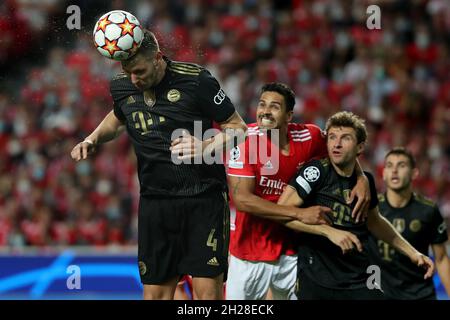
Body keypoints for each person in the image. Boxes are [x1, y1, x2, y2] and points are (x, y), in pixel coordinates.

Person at [70, 29, 248, 300]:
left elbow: (239, 128)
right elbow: (118, 116)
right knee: (154, 295)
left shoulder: (197, 81)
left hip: (203, 199)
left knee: (207, 295)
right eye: (129, 72)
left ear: (157, 58)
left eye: (139, 71)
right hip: (155, 203)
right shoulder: (122, 85)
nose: (134, 79)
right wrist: (92, 138)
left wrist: (203, 147)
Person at [226, 84, 371, 300]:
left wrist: (362, 177)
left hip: (294, 250)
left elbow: (341, 153)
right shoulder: (245, 141)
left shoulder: (309, 136)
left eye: (274, 107)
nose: (265, 111)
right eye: (262, 104)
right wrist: (299, 213)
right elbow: (243, 200)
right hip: (250, 251)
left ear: (288, 116)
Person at [277, 111, 434, 300]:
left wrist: (413, 253)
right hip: (316, 277)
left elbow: (375, 221)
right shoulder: (316, 172)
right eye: (333, 137)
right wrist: (329, 231)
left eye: (345, 138)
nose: (337, 144)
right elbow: (283, 214)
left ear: (360, 147)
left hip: (357, 277)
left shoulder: (366, 181)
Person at [368, 147, 450, 300]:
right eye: (390, 166)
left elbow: (441, 258)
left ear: (414, 173)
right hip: (380, 294)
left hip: (421, 295)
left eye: (401, 165)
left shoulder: (428, 210)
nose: (394, 171)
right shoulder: (371, 209)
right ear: (383, 173)